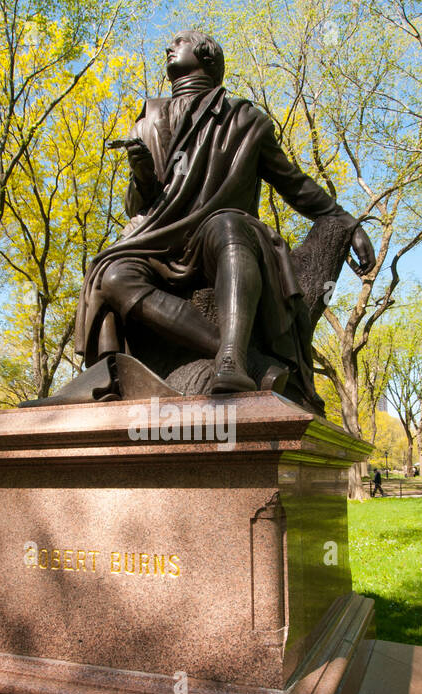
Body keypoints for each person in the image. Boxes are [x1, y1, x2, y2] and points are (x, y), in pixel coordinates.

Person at [75, 29, 375, 411]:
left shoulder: (245, 120)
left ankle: (231, 362)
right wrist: (143, 176)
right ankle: (247, 358)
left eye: (179, 42)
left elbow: (294, 184)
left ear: (207, 58)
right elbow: (138, 207)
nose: (169, 47)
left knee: (228, 223)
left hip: (218, 239)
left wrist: (343, 218)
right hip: (159, 242)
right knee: (112, 275)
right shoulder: (149, 119)